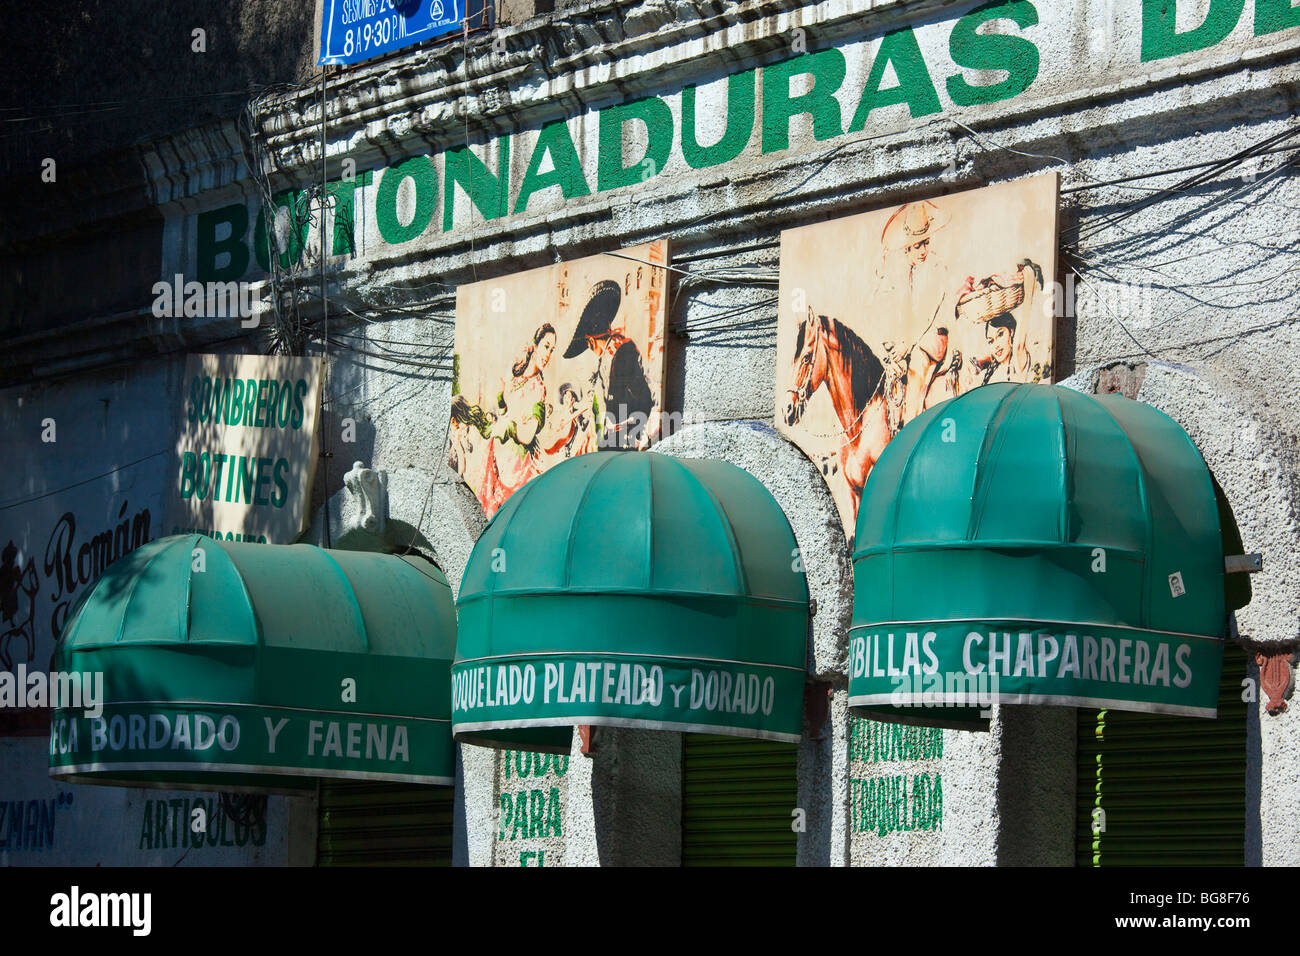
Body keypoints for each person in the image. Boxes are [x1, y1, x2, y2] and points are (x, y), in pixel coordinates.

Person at [473, 323, 557, 516]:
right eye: (546, 346)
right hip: (500, 461)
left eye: (552, 350)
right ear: (534, 346)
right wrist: (502, 395)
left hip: (519, 468)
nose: (548, 354)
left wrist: (506, 427)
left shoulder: (538, 388)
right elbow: (504, 409)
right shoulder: (517, 378)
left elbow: (527, 436)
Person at [561, 280, 656, 449]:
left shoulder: (621, 353)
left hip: (624, 444)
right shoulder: (610, 357)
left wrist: (622, 424)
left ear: (590, 341)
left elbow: (643, 400)